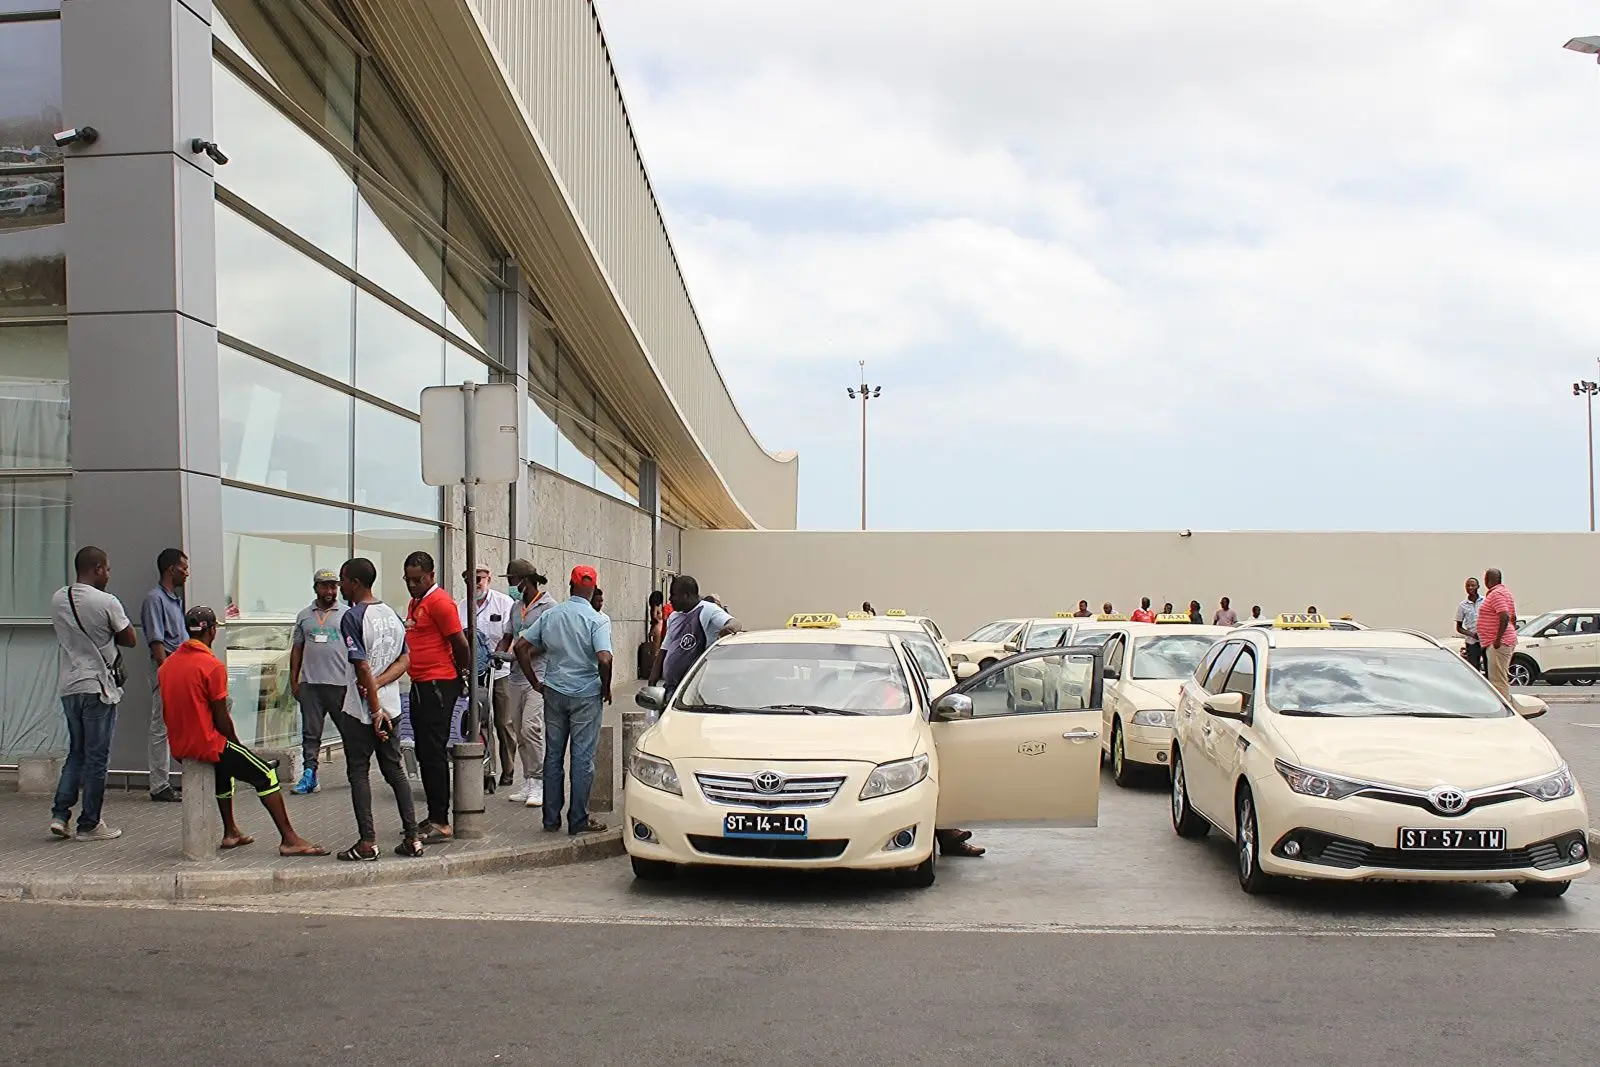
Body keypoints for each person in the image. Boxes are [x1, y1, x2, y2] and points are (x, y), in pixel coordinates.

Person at [159, 606, 326, 856]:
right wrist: (237, 744)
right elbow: (221, 717)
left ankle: (231, 832)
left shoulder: (168, 665)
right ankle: (289, 839)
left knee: (225, 774)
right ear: (213, 631)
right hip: (207, 742)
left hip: (180, 745)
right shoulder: (211, 666)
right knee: (266, 775)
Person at [333, 558, 424, 861]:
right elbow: (404, 661)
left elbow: (360, 665)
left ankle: (367, 842)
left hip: (362, 712)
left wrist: (373, 708)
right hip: (392, 705)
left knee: (358, 772)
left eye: (343, 580)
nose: (340, 586)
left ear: (355, 582)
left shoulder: (353, 617)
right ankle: (412, 838)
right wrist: (380, 685)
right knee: (394, 770)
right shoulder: (392, 615)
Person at [514, 565, 613, 836]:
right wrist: (606, 687)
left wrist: (536, 682)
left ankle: (550, 819)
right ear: (592, 589)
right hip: (585, 695)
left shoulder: (552, 615)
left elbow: (520, 646)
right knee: (582, 758)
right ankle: (578, 821)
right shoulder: (597, 620)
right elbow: (604, 658)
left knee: (553, 755)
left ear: (570, 585)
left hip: (554, 692)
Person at [48, 546, 138, 841]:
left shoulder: (58, 598)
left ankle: (60, 815)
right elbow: (130, 638)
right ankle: (90, 824)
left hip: (69, 685)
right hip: (98, 687)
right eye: (108, 569)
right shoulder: (106, 601)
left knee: (76, 752)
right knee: (97, 757)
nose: (109, 574)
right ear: (97, 568)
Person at [402, 551, 471, 844]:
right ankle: (434, 814)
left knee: (433, 752)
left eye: (418, 580)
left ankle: (441, 821)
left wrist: (460, 674)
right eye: (408, 580)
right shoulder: (418, 601)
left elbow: (460, 642)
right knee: (425, 752)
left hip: (438, 683)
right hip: (422, 682)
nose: (412, 585)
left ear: (431, 576)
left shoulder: (440, 602)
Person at [287, 569, 347, 795]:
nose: (330, 591)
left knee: (349, 732)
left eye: (333, 586)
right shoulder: (304, 616)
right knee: (311, 734)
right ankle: (310, 775)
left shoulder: (347, 614)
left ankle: (356, 771)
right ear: (316, 588)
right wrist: (294, 680)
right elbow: (297, 649)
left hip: (340, 684)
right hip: (311, 685)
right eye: (325, 586)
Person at [460, 564, 518, 788]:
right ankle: (487, 769)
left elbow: (510, 634)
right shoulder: (461, 607)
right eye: (470, 579)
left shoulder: (504, 603)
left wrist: (504, 654)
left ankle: (509, 767)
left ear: (488, 579)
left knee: (503, 722)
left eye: (479, 578)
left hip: (499, 671)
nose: (475, 583)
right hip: (475, 674)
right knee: (481, 722)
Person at [505, 561, 555, 808]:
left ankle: (539, 781)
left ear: (525, 581)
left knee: (531, 727)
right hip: (515, 676)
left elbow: (546, 643)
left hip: (538, 677)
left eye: (512, 581)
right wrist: (498, 654)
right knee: (517, 728)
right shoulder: (516, 608)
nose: (510, 586)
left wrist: (519, 654)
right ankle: (527, 779)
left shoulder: (548, 608)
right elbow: (508, 636)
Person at [139, 547, 187, 802]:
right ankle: (159, 784)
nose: (187, 573)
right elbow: (157, 643)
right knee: (160, 726)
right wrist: (168, 674)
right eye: (184, 568)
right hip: (166, 668)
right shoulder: (154, 599)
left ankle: (182, 776)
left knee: (179, 723)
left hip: (179, 668)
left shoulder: (174, 600)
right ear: (171, 569)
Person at [649, 574, 741, 700]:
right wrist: (652, 682)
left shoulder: (707, 610)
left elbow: (735, 623)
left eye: (673, 594)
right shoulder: (674, 617)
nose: (670, 599)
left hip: (695, 690)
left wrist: (728, 628)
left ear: (686, 595)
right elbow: (664, 650)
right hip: (672, 688)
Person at [1478, 568, 1518, 699]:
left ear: (1488, 580)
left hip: (1499, 643)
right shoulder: (1505, 593)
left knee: (1498, 680)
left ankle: (1504, 708)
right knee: (1498, 677)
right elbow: (1513, 617)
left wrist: (1497, 640)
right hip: (1502, 640)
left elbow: (1505, 616)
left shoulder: (1496, 594)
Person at [1456, 577, 1486, 675]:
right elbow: (1459, 627)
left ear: (1478, 587)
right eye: (1468, 586)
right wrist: (1472, 634)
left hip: (1486, 640)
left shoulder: (1485, 601)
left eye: (1473, 585)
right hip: (1472, 642)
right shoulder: (1462, 605)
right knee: (1474, 669)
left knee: (1489, 668)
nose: (1470, 588)